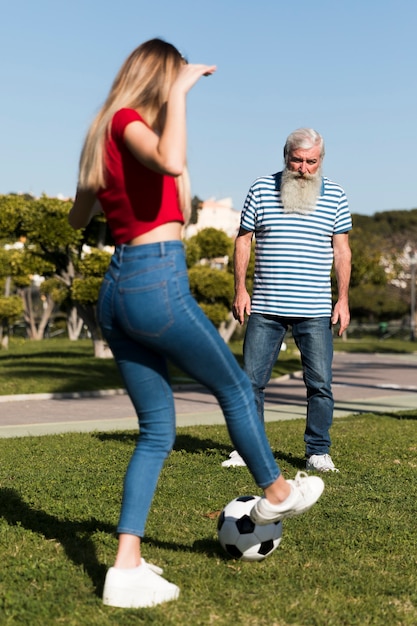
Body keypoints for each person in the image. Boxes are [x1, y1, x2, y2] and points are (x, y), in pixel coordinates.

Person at [69, 41, 325, 610]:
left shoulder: (103, 134)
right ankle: (277, 491)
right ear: (157, 78)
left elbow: (78, 215)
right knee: (234, 386)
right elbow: (173, 162)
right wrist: (182, 94)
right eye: (169, 80)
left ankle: (126, 566)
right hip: (153, 281)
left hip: (117, 285)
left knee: (158, 431)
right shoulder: (129, 121)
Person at [223, 128, 352, 473]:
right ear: (286, 156)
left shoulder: (336, 194)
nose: (303, 168)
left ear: (320, 161)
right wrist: (240, 289)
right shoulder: (262, 188)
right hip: (266, 306)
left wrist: (342, 300)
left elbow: (341, 250)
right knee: (250, 382)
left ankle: (318, 451)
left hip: (315, 309)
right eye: (297, 159)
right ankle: (248, 449)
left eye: (311, 161)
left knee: (320, 384)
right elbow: (243, 241)